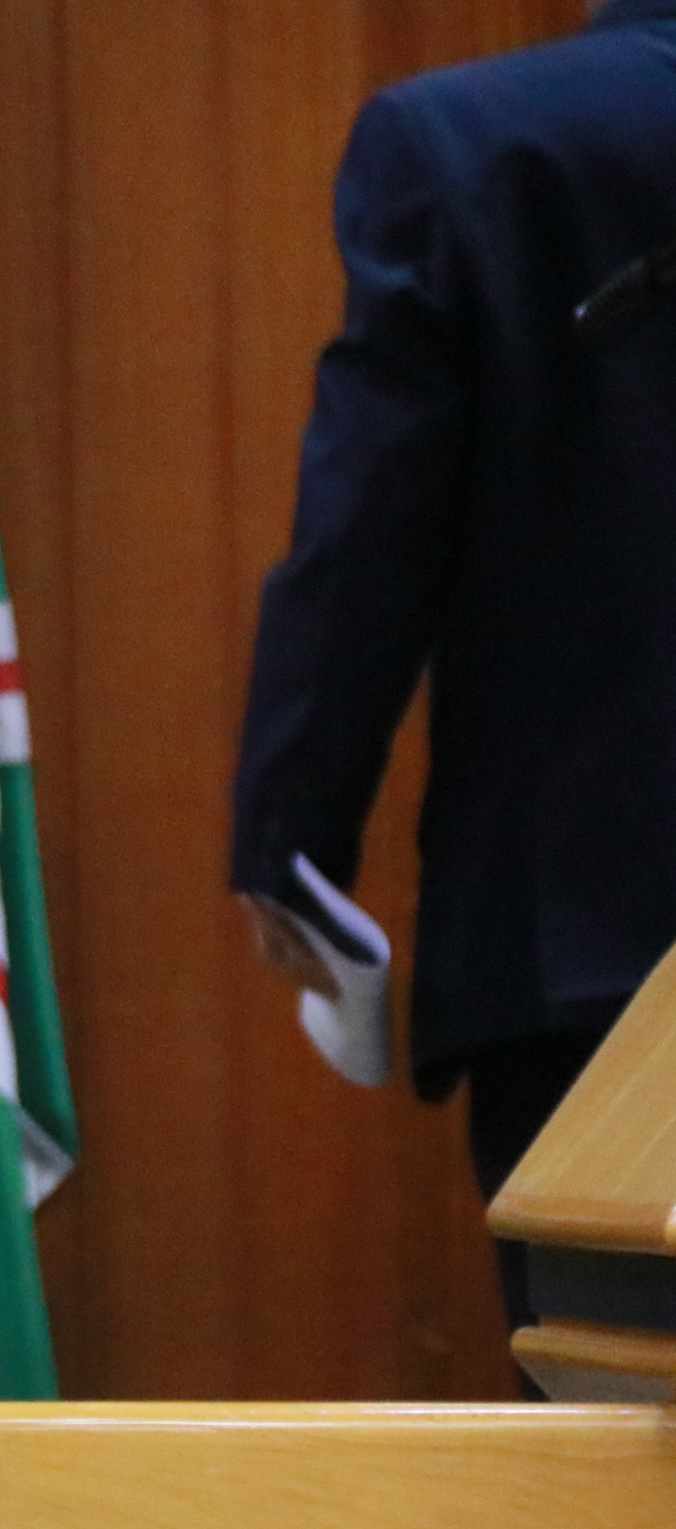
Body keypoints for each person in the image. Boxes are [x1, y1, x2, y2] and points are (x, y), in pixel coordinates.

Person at [230, 1, 676, 1330]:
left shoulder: (475, 146)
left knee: (614, 1428)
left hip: (594, 953)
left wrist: (291, 841)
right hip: (586, 955)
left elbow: (371, 527)